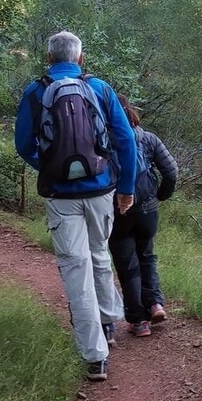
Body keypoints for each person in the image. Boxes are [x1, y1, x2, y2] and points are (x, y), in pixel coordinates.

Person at [14, 31, 138, 382]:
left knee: (76, 268)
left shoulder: (36, 91)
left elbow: (24, 145)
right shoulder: (100, 88)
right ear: (80, 58)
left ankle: (95, 356)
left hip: (60, 196)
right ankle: (109, 322)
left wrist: (51, 168)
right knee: (99, 253)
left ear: (49, 58)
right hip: (101, 190)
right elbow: (126, 139)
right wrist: (126, 188)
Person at [108, 93, 179, 338]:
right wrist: (161, 196)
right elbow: (171, 171)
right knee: (147, 255)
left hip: (118, 211)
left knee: (128, 266)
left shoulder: (106, 140)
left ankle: (139, 322)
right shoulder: (148, 139)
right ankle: (156, 304)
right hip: (148, 209)